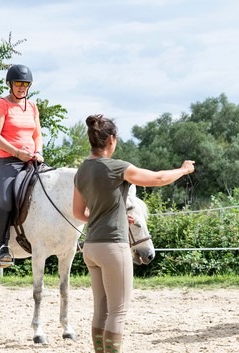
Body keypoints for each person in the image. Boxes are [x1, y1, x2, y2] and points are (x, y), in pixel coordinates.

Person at [72, 114, 195, 353]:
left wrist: (111, 216)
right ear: (111, 140)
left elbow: (79, 212)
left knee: (101, 311)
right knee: (118, 312)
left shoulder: (82, 171)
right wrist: (183, 170)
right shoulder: (117, 167)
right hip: (113, 247)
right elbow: (158, 178)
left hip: (91, 247)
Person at [0, 64, 44, 268]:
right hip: (7, 161)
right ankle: (2, 247)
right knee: (6, 200)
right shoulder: (1, 105)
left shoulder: (32, 106)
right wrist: (17, 152)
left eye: (25, 84)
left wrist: (38, 152)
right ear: (10, 84)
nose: (22, 87)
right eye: (18, 83)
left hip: (31, 160)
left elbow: (37, 134)